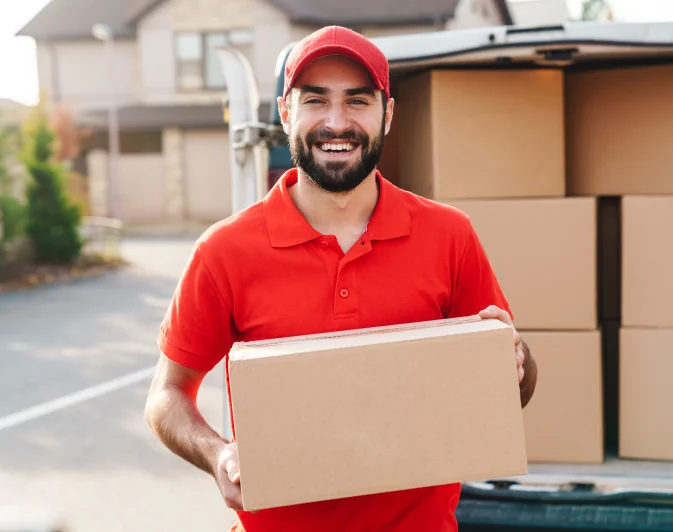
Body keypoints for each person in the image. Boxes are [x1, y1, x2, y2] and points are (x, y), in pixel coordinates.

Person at [145, 25, 537, 532]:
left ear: (387, 115)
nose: (336, 122)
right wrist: (217, 453)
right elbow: (167, 394)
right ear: (287, 113)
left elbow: (515, 386)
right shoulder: (225, 251)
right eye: (315, 100)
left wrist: (514, 362)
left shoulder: (448, 235)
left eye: (357, 101)